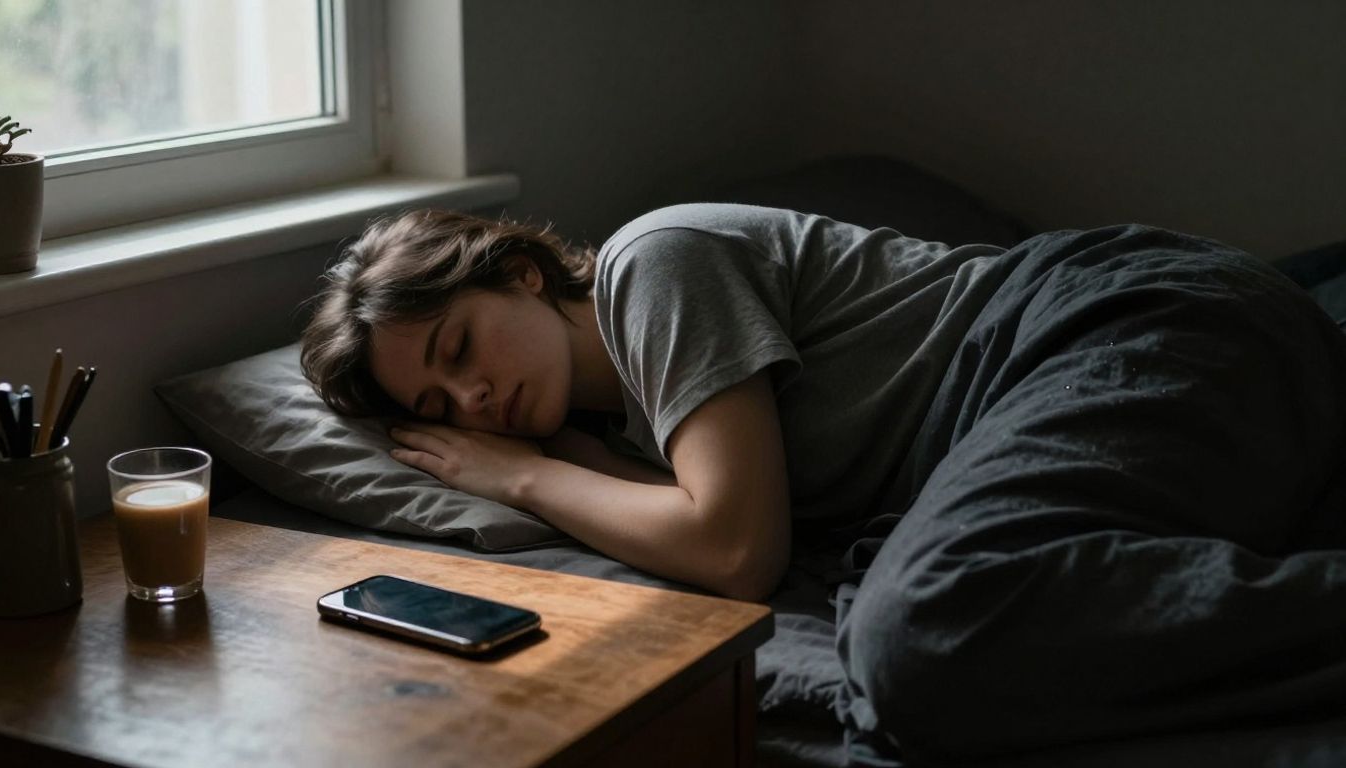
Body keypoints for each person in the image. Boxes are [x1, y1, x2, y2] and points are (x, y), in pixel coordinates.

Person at [301, 203, 1346, 763]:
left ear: (519, 273)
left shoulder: (651, 265)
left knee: (917, 637)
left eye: (458, 347)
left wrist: (527, 478)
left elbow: (733, 550)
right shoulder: (610, 438)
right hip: (1079, 386)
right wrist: (563, 463)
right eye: (437, 406)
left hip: (1104, 322)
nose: (473, 397)